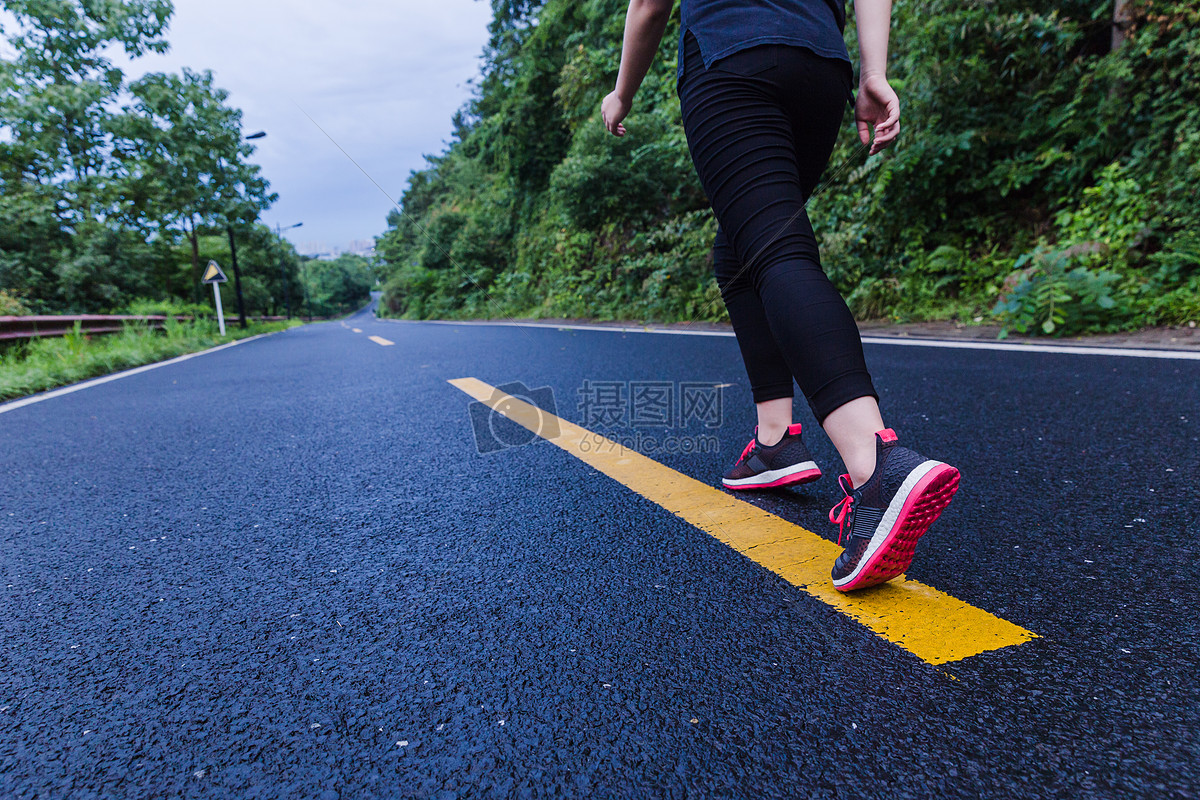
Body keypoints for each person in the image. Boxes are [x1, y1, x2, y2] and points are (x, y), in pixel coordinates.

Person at [601, 0, 959, 591]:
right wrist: (874, 72)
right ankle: (775, 443)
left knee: (775, 251)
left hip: (733, 56)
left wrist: (623, 92)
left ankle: (878, 469)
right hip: (820, 68)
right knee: (739, 255)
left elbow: (649, 4)